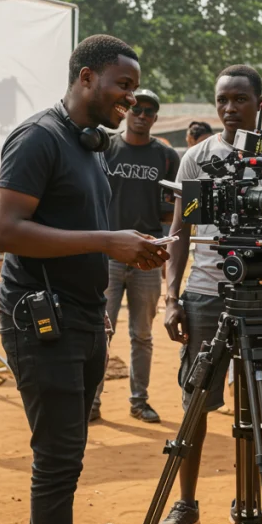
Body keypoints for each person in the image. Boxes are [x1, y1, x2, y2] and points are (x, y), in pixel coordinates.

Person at [0, 34, 167, 524]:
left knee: (64, 459)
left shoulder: (91, 143)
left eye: (134, 90)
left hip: (84, 320)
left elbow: (76, 229)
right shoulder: (38, 138)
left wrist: (131, 253)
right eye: (123, 86)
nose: (130, 100)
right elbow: (6, 231)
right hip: (45, 322)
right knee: (58, 462)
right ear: (86, 77)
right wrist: (108, 242)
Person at [156, 64, 262, 524]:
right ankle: (186, 504)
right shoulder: (198, 158)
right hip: (205, 292)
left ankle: (250, 507)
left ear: (260, 104)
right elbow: (183, 230)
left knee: (257, 410)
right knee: (195, 402)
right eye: (223, 100)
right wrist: (170, 297)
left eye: (240, 99)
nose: (230, 108)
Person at [93, 88, 180, 423]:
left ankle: (139, 401)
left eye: (149, 111)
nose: (142, 115)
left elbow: (170, 209)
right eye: (137, 109)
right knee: (102, 331)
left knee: (142, 335)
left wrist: (163, 245)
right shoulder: (107, 147)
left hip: (147, 255)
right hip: (109, 254)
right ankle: (93, 402)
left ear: (155, 118)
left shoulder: (165, 156)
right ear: (126, 111)